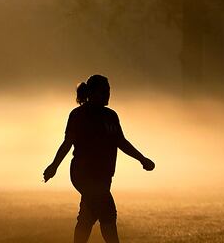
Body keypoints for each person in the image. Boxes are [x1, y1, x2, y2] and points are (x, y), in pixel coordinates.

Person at [43, 75, 155, 243]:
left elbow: (121, 142)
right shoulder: (78, 115)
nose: (107, 95)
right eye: (103, 91)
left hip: (104, 175)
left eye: (108, 91)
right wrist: (54, 166)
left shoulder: (111, 116)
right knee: (108, 212)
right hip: (83, 173)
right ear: (92, 93)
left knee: (88, 215)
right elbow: (68, 143)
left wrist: (142, 159)